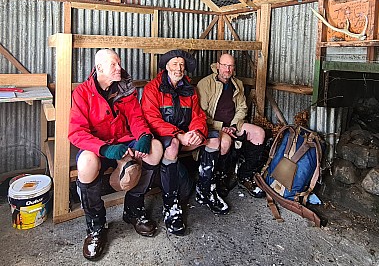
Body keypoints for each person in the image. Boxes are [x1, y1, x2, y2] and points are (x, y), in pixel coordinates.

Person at [69, 49, 163, 261]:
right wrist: (104, 148)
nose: (119, 68)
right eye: (114, 64)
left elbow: (136, 118)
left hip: (123, 142)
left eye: (119, 63)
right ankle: (96, 226)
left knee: (155, 149)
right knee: (85, 163)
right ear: (99, 68)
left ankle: (133, 209)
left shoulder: (125, 89)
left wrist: (144, 136)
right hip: (99, 147)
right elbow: (76, 133)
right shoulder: (82, 93)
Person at [141, 49, 230, 236]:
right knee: (172, 147)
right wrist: (178, 135)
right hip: (164, 135)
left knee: (214, 139)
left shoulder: (189, 88)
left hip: (186, 134)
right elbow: (151, 119)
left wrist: (197, 132)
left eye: (181, 65)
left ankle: (206, 191)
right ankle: (171, 206)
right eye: (174, 64)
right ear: (166, 67)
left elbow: (198, 115)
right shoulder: (152, 88)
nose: (179, 68)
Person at [196, 53, 266, 199]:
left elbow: (242, 108)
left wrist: (233, 125)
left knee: (259, 133)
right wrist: (221, 127)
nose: (227, 69)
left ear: (234, 68)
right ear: (217, 65)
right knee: (226, 141)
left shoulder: (237, 84)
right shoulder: (205, 84)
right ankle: (219, 178)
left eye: (230, 66)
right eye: (224, 65)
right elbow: (200, 114)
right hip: (213, 126)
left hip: (234, 124)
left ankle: (245, 175)